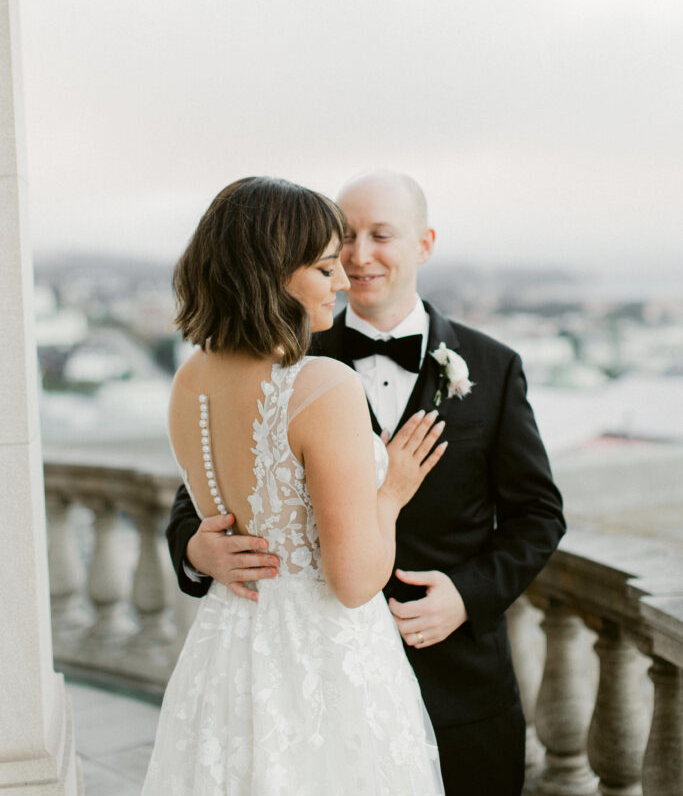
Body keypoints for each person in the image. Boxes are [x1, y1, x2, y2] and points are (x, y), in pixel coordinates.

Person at [167, 170, 566, 796]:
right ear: (286, 263)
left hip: (459, 681)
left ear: (424, 244)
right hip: (316, 677)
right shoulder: (295, 361)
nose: (355, 259)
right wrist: (196, 548)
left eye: (381, 235)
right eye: (341, 242)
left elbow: (539, 513)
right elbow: (199, 497)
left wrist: (467, 596)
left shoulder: (493, 364)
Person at [142, 176, 447, 796]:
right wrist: (390, 492)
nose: (343, 281)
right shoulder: (324, 387)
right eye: (326, 266)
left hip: (227, 656)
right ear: (273, 272)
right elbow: (355, 581)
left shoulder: (189, 381)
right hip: (323, 666)